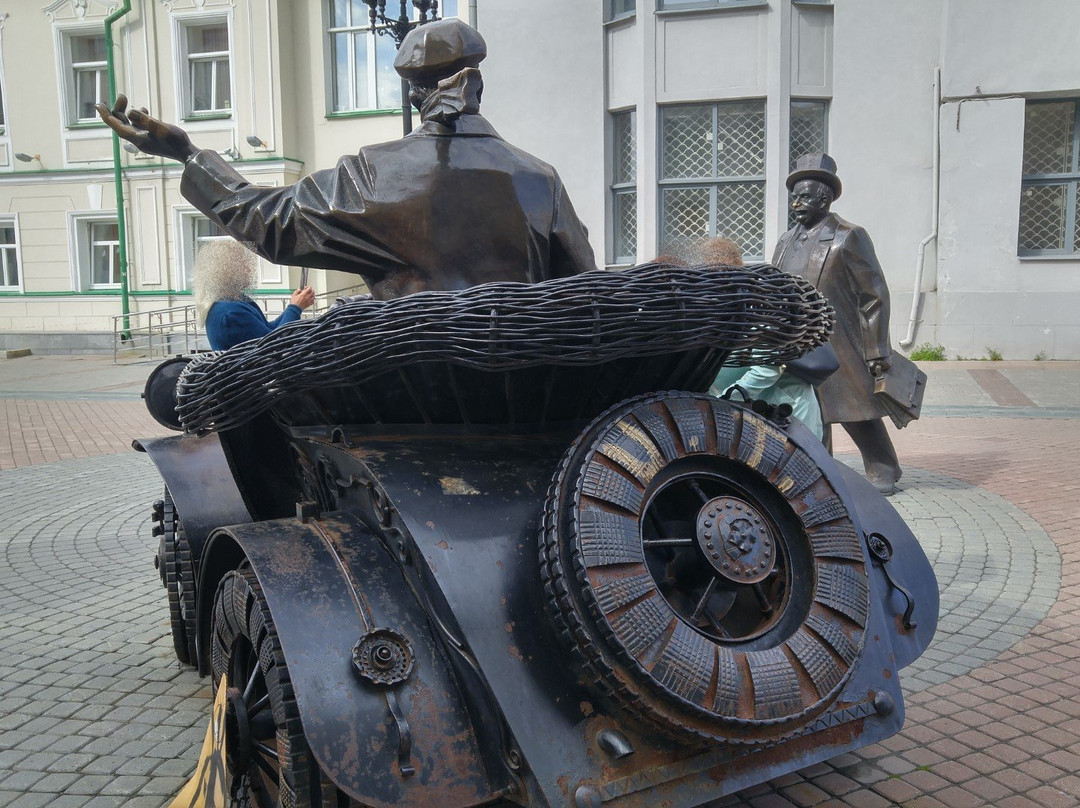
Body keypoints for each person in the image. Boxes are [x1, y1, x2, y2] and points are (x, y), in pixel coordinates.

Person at [96, 19, 597, 301]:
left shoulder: (374, 175)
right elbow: (584, 294)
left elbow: (265, 221)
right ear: (478, 84)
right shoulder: (540, 180)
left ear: (413, 95)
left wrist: (185, 153)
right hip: (524, 403)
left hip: (413, 400)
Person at [772, 153, 901, 494]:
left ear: (825, 199)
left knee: (856, 404)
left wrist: (877, 348)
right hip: (799, 337)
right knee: (810, 404)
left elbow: (873, 295)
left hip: (840, 338)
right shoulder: (786, 241)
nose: (796, 204)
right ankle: (819, 464)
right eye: (793, 197)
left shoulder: (848, 237)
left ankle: (883, 464)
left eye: (804, 197)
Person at [697, 237, 826, 440]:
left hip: (786, 409)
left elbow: (767, 367)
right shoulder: (714, 304)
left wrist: (727, 400)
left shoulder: (757, 303)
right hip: (751, 410)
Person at [193, 239, 314, 351]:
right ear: (227, 271)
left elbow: (268, 330)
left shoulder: (233, 302)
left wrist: (294, 305)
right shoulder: (230, 313)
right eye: (244, 265)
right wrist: (295, 308)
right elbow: (274, 345)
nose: (250, 271)